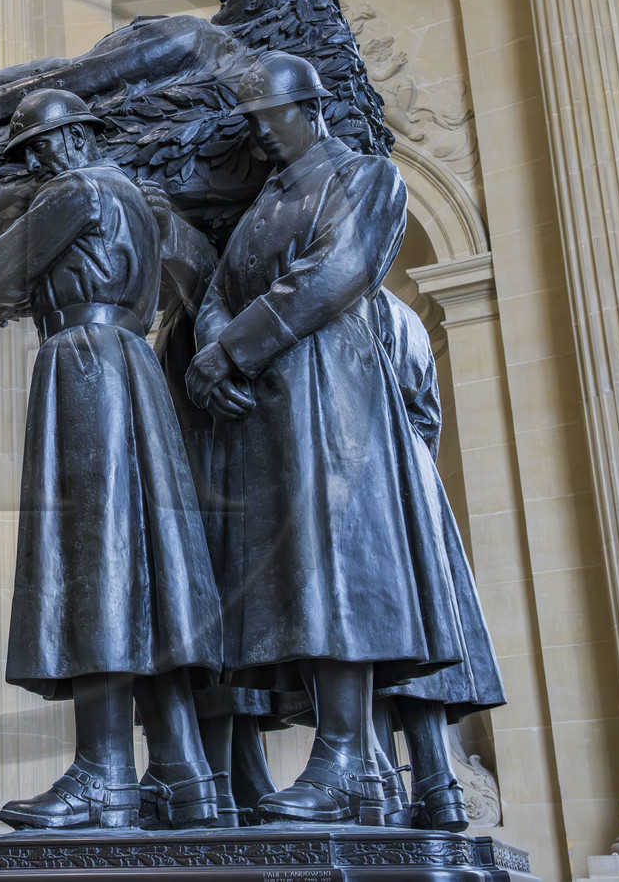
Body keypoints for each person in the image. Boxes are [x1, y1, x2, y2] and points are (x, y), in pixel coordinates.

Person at [186, 52, 465, 826]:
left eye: (268, 120)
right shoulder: (260, 205)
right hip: (268, 410)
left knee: (336, 564)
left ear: (308, 109)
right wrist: (213, 354)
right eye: (252, 124)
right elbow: (218, 289)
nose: (261, 136)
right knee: (296, 574)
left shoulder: (367, 178)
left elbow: (335, 271)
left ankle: (345, 756)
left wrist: (232, 348)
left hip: (333, 394)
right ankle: (357, 765)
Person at [0, 89, 223, 831]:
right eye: (34, 153)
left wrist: (12, 209)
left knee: (94, 562)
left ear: (80, 139)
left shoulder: (78, 188)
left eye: (47, 146)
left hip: (84, 365)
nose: (41, 161)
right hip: (133, 367)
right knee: (146, 569)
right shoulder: (143, 200)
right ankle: (183, 772)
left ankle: (104, 772)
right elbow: (202, 265)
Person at [369, 288, 505, 830]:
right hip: (415, 487)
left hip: (370, 482)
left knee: (370, 645)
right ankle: (436, 785)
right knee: (413, 640)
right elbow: (428, 417)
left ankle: (379, 787)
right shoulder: (405, 317)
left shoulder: (349, 307)